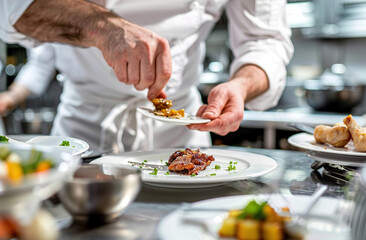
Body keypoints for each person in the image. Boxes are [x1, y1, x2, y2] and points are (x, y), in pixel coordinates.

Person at [0, 0, 293, 152]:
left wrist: (241, 85)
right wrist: (101, 26)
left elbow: (265, 40)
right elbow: (13, 9)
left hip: (182, 134)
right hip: (84, 132)